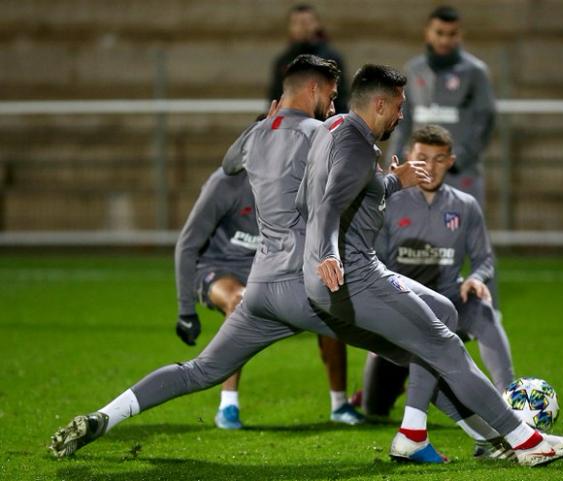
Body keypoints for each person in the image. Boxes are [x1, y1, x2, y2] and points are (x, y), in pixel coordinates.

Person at [49, 54, 414, 460]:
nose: (335, 105)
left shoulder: (258, 135)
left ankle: (105, 416)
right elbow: (351, 189)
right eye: (330, 95)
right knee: (417, 343)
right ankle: (475, 431)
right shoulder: (328, 130)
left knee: (201, 369)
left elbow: (229, 162)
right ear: (313, 89)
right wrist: (393, 182)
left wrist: (265, 126)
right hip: (304, 285)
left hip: (261, 287)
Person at [299, 63, 563, 466]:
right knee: (446, 346)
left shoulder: (332, 131)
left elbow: (308, 200)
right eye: (399, 106)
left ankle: (415, 433)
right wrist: (329, 252)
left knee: (443, 311)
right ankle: (527, 443)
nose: (403, 115)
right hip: (353, 276)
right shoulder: (355, 144)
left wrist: (393, 181)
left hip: (338, 276)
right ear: (380, 104)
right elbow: (330, 203)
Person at [174, 131, 364, 428]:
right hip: (221, 269)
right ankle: (228, 406)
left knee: (329, 302)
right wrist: (186, 309)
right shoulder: (225, 183)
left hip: (272, 268)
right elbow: (188, 243)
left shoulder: (299, 181)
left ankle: (339, 405)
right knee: (239, 300)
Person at [358, 125, 515, 457]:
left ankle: (511, 399)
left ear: (451, 161)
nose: (429, 167)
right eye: (422, 158)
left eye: (439, 159)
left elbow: (485, 258)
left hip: (450, 303)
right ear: (409, 158)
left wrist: (477, 279)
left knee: (483, 312)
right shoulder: (390, 203)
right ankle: (482, 430)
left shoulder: (466, 206)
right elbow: (374, 262)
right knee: (374, 406)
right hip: (400, 311)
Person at [386, 5, 495, 208]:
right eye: (439, 33)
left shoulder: (475, 72)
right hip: (418, 172)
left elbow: (485, 121)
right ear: (427, 33)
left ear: (460, 35)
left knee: (461, 231)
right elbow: (402, 120)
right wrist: (396, 160)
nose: (445, 40)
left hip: (460, 174)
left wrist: (459, 160)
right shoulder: (413, 70)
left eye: (452, 34)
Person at [269, 4, 349, 113]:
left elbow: (341, 97)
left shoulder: (331, 58)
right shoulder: (283, 61)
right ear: (290, 27)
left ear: (317, 24)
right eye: (297, 23)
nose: (303, 27)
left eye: (307, 22)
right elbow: (276, 96)